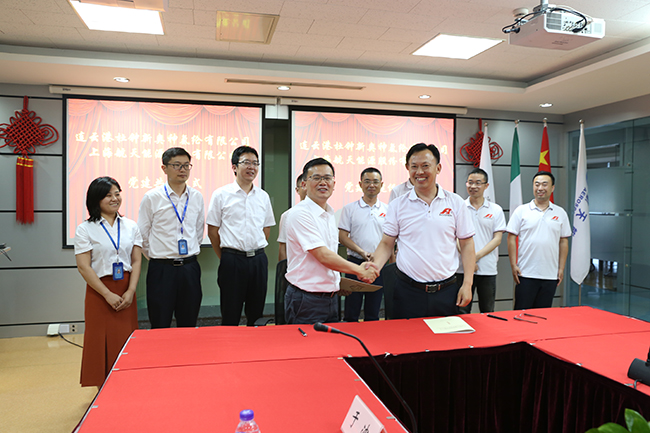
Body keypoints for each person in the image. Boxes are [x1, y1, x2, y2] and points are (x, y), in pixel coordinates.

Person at [372, 143, 476, 319]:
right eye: (414, 166)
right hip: (407, 290)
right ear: (407, 168)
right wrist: (373, 268)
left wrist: (467, 284)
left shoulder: (455, 202)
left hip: (447, 290)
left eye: (425, 166)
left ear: (438, 168)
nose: (419, 172)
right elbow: (386, 243)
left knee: (446, 336)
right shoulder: (398, 205)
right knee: (407, 336)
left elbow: (466, 244)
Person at [284, 157, 379, 324]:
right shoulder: (300, 214)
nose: (323, 182)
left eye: (327, 178)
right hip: (306, 300)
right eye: (316, 178)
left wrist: (336, 282)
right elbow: (323, 255)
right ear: (304, 184)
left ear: (334, 184)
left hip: (330, 298)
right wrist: (359, 270)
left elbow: (328, 257)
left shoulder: (328, 213)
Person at [74, 177, 142, 387]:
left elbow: (136, 260)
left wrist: (131, 290)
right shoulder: (85, 229)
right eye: (108, 195)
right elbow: (84, 266)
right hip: (99, 291)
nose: (115, 199)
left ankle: (127, 383)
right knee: (99, 340)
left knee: (126, 338)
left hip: (126, 289)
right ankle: (102, 388)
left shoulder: (131, 226)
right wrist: (106, 294)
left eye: (117, 194)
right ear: (96, 199)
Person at [207, 146, 275, 326]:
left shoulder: (263, 196)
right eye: (246, 162)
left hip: (258, 260)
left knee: (257, 313)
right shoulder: (221, 194)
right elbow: (212, 231)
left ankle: (255, 343)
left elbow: (266, 228)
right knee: (230, 313)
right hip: (232, 260)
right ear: (234, 167)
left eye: (255, 163)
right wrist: (225, 256)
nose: (252, 167)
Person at [138, 147, 205, 328]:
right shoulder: (152, 197)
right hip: (162, 270)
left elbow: (198, 231)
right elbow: (143, 234)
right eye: (176, 165)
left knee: (188, 323)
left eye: (186, 165)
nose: (182, 170)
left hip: (189, 268)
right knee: (160, 323)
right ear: (164, 168)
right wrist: (158, 257)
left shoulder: (196, 197)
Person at [507, 171, 570, 309]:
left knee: (543, 315)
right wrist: (513, 265)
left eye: (544, 184)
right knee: (521, 313)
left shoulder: (560, 213)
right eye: (537, 184)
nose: (540, 188)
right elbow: (511, 237)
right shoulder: (521, 210)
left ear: (552, 188)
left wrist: (561, 268)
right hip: (525, 273)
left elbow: (564, 241)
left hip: (550, 274)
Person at [339, 167, 389, 322]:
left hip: (378, 265)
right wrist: (362, 252)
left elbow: (390, 240)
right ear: (360, 184)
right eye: (367, 181)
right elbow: (342, 237)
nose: (371, 185)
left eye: (375, 182)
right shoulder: (349, 209)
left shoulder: (388, 210)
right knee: (351, 311)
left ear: (381, 185)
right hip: (354, 264)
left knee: (373, 312)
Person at [457, 168, 506, 314]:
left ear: (486, 186)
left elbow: (497, 239)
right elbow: (455, 237)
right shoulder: (459, 207)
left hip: (487, 268)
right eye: (470, 182)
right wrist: (469, 261)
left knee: (487, 310)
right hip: (462, 269)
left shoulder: (496, 210)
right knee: (461, 309)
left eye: (478, 183)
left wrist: (474, 258)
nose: (473, 186)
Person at [278, 173, 307, 262]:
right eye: (304, 186)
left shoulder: (326, 214)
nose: (307, 189)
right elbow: (283, 247)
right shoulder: (288, 215)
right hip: (297, 266)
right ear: (297, 190)